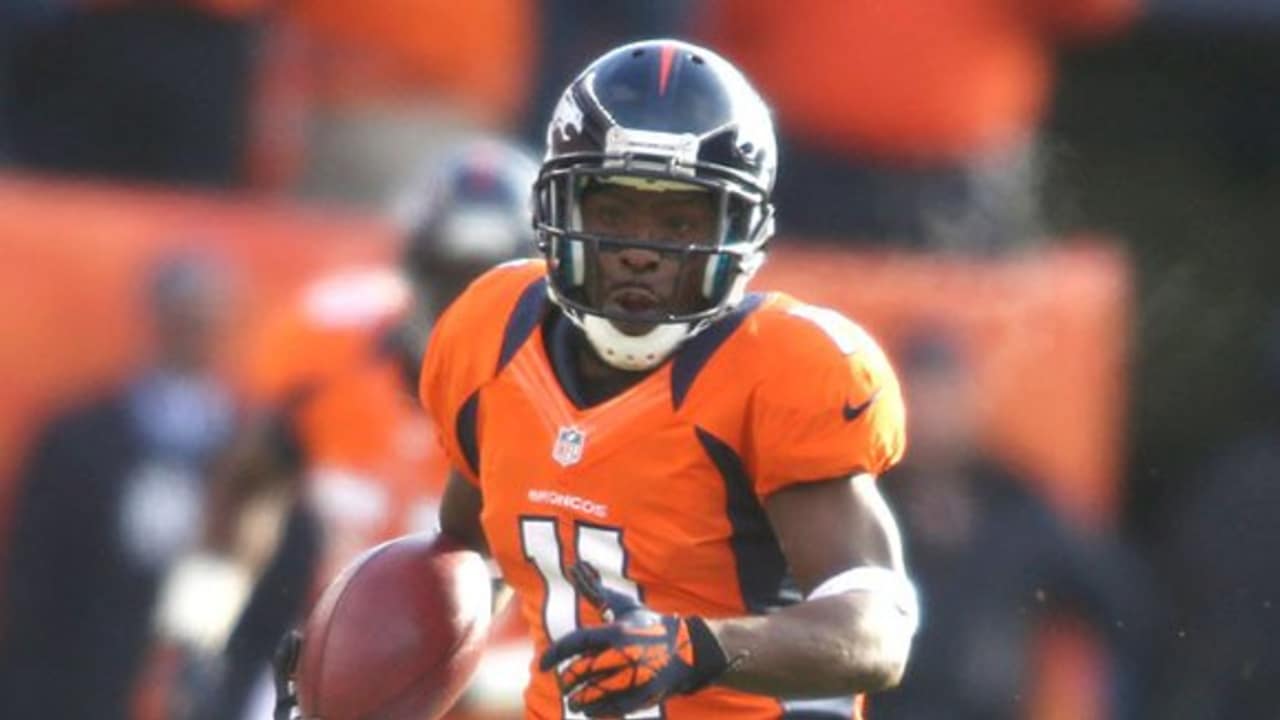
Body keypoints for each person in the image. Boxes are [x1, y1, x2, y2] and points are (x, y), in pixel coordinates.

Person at [278, 39, 919, 720]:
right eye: (614, 212)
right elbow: (473, 558)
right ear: (561, 210)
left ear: (740, 227)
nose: (642, 250)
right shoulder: (489, 334)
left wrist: (694, 648)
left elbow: (876, 633)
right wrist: (358, 668)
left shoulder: (784, 369)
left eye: (679, 219)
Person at [140, 137, 541, 720]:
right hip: (349, 673)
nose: (462, 302)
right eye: (446, 274)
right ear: (409, 266)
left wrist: (476, 684)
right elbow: (249, 486)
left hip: (519, 687)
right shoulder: (330, 348)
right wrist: (201, 625)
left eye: (483, 280)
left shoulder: (558, 400)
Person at [0, 252, 238, 720]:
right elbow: (35, 564)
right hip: (72, 673)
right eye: (183, 321)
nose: (194, 336)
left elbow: (261, 574)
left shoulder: (248, 449)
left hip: (190, 680)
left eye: (205, 323)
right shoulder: (79, 435)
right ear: (158, 322)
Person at [872, 329, 1152, 719]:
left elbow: (1124, 605)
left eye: (947, 396)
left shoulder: (1017, 510)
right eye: (921, 397)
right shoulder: (865, 507)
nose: (935, 414)